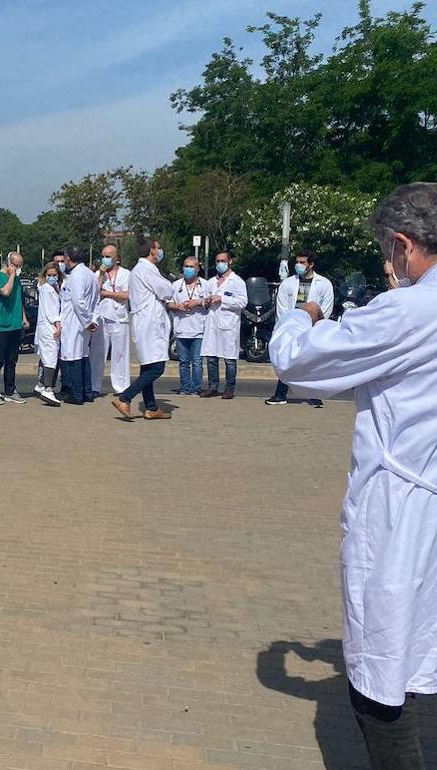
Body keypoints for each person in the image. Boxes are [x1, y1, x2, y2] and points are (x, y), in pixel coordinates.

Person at [269, 183, 437, 768]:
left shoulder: (411, 310)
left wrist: (302, 312)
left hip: (404, 507)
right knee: (425, 652)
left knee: (380, 665)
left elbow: (300, 363)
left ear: (402, 246)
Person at [111, 239, 175, 420]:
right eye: (158, 247)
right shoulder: (146, 269)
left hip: (145, 322)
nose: (160, 251)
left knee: (147, 366)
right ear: (152, 251)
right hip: (150, 323)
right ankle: (125, 398)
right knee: (157, 368)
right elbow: (166, 290)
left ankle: (151, 407)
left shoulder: (139, 270)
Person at [268, 251, 335, 407]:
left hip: (312, 328)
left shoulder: (324, 283)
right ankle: (280, 395)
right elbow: (282, 307)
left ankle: (314, 396)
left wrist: (317, 324)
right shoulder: (288, 283)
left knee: (311, 362)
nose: (298, 265)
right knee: (288, 360)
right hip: (293, 327)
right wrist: (286, 325)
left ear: (311, 264)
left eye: (302, 262)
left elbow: (326, 308)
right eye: (297, 262)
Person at [0, 250, 28, 406]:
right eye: (16, 266)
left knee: (11, 361)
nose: (18, 269)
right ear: (9, 264)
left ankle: (10, 390)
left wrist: (23, 318)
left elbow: (18, 299)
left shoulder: (17, 279)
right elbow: (6, 292)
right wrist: (11, 276)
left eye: (20, 266)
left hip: (14, 325)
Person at [201, 250, 247, 399]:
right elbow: (204, 301)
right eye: (218, 261)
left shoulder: (237, 281)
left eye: (223, 261)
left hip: (229, 324)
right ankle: (212, 386)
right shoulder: (211, 282)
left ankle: (229, 388)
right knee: (211, 357)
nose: (220, 264)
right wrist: (206, 302)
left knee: (229, 359)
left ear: (230, 261)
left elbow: (242, 302)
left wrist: (222, 299)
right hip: (212, 323)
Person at [58, 248, 99, 405]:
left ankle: (77, 395)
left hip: (75, 322)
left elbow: (78, 302)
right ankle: (87, 392)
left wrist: (88, 322)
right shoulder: (90, 274)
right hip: (84, 322)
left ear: (68, 258)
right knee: (83, 356)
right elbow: (96, 300)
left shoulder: (76, 276)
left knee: (74, 358)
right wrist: (92, 320)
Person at [91, 245, 131, 397]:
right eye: (103, 256)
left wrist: (107, 293)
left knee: (120, 354)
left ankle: (121, 387)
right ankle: (95, 386)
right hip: (101, 317)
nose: (105, 259)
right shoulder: (97, 274)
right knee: (97, 354)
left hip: (119, 319)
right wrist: (101, 275)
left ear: (116, 258)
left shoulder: (126, 274)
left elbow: (127, 295)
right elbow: (95, 293)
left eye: (108, 256)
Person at [167, 256, 210, 396]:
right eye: (186, 266)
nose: (188, 269)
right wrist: (178, 306)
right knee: (183, 361)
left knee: (197, 362)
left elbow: (210, 303)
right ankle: (185, 387)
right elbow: (168, 303)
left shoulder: (205, 285)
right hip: (181, 328)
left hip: (198, 328)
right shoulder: (176, 285)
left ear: (198, 269)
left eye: (192, 267)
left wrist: (197, 302)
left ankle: (196, 388)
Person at [33, 262, 63, 406]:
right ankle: (48, 388)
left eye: (54, 275)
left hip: (47, 326)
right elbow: (51, 311)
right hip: (49, 327)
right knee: (51, 358)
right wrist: (58, 325)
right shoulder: (47, 289)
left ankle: (43, 386)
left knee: (48, 357)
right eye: (49, 275)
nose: (51, 277)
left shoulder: (54, 288)